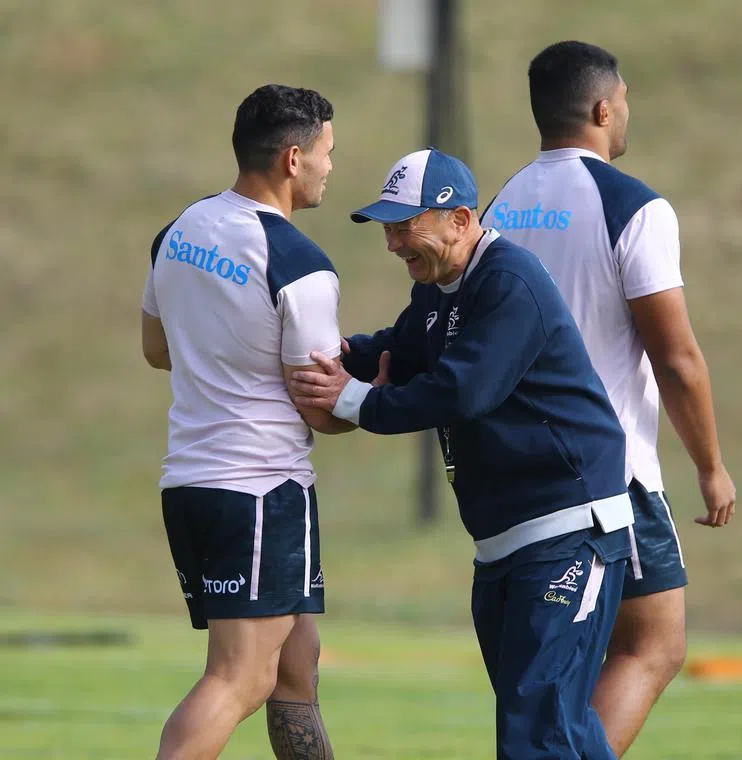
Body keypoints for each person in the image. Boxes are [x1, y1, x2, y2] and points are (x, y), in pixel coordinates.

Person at [289, 148, 634, 759]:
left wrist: (353, 400)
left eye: (406, 225)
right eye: (388, 227)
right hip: (506, 544)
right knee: (560, 728)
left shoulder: (508, 282)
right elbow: (399, 349)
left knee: (536, 735)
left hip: (567, 532)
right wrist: (327, 353)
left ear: (460, 219)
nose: (393, 243)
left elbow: (462, 391)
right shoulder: (440, 288)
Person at [480, 40, 737, 755]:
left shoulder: (500, 206)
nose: (627, 112)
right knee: (654, 643)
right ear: (601, 109)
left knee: (572, 659)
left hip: (516, 472)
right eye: (623, 100)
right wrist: (711, 465)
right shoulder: (631, 207)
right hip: (607, 474)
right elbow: (676, 356)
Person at [142, 84, 349, 760]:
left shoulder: (180, 231)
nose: (329, 166)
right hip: (259, 489)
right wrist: (377, 399)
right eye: (326, 153)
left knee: (294, 671)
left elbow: (157, 348)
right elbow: (319, 405)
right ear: (293, 158)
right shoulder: (299, 264)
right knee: (240, 678)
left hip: (192, 484)